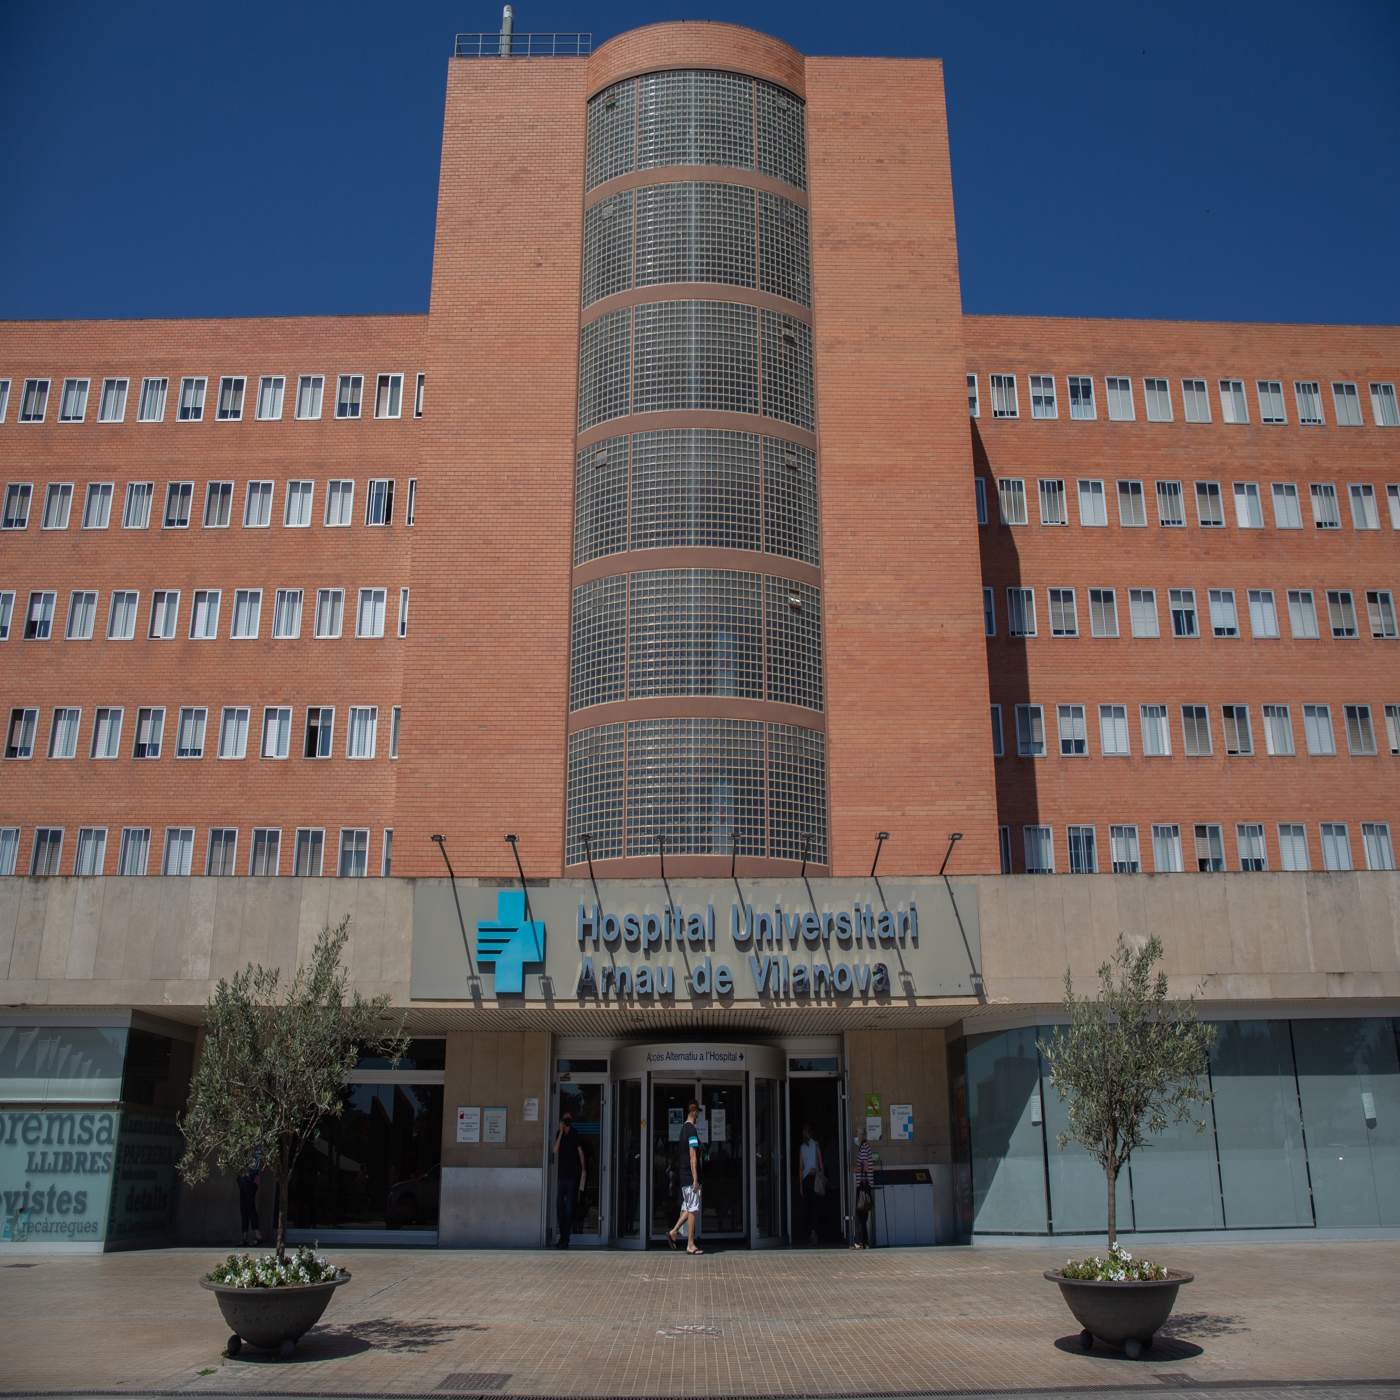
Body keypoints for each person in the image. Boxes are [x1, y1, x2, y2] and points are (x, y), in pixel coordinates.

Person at [666, 1102, 704, 1255]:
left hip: (683, 1175)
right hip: (689, 1175)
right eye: (698, 1113)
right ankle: (690, 1244)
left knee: (689, 1207)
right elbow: (693, 1155)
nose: (698, 1117)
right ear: (693, 1112)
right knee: (693, 1209)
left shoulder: (683, 1129)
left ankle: (673, 1232)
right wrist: (695, 1179)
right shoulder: (692, 1130)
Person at [552, 1110, 586, 1247]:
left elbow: (580, 1152)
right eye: (564, 1120)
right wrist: (560, 1132)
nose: (566, 1122)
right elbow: (554, 1150)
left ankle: (566, 1238)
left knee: (568, 1208)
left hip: (572, 1176)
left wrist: (584, 1169)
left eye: (568, 1120)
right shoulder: (559, 1134)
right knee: (559, 1207)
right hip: (561, 1176)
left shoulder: (575, 1134)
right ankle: (563, 1237)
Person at [797, 1122, 824, 1245]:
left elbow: (801, 1168)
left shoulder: (803, 1147)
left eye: (805, 1132)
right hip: (813, 1178)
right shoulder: (815, 1145)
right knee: (814, 1207)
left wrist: (801, 1185)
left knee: (808, 1208)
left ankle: (811, 1233)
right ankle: (814, 1232)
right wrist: (820, 1173)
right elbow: (820, 1162)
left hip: (807, 1179)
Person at [851, 1131, 875, 1249]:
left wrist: (856, 1169)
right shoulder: (866, 1148)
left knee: (860, 1213)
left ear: (862, 1137)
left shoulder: (864, 1148)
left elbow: (865, 1165)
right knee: (864, 1215)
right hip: (866, 1184)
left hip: (862, 1186)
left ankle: (859, 1242)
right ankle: (865, 1241)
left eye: (858, 1135)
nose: (857, 1137)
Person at [236, 1144, 263, 1247]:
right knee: (244, 1207)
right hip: (244, 1178)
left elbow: (256, 1163)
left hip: (251, 1178)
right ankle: (244, 1237)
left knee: (250, 1206)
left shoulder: (257, 1145)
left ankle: (257, 1235)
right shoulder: (242, 1144)